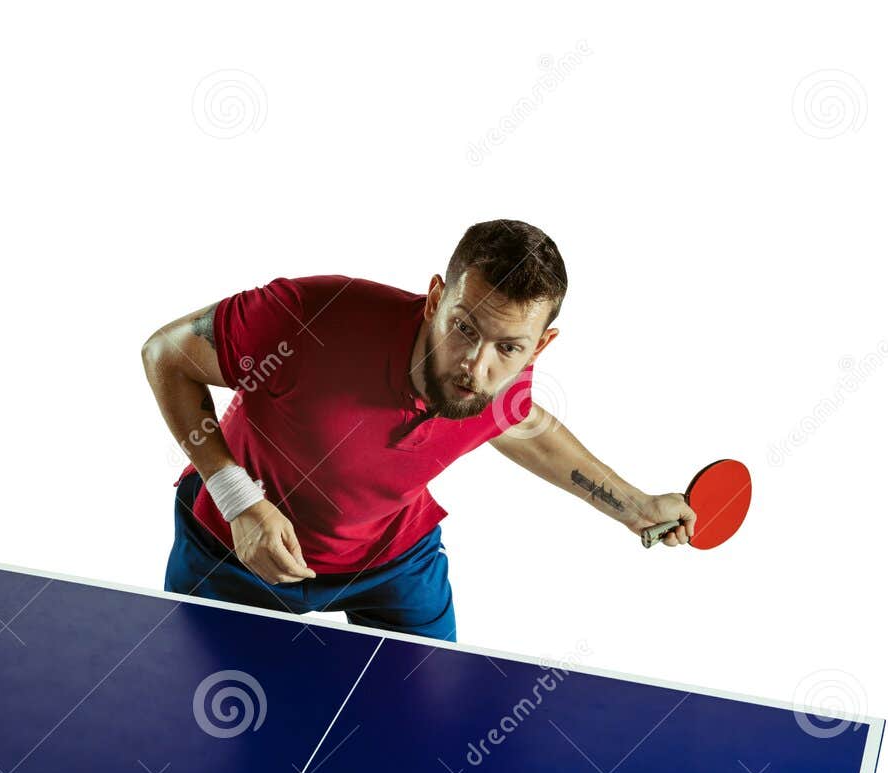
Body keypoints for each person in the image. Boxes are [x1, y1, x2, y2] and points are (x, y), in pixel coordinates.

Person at [143, 219, 694, 642]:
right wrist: (239, 499)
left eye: (509, 348)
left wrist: (638, 508)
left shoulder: (501, 376)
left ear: (539, 346)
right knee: (207, 736)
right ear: (436, 298)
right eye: (463, 327)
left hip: (392, 561)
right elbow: (166, 355)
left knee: (428, 741)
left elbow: (521, 423)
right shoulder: (309, 316)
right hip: (232, 549)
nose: (475, 368)